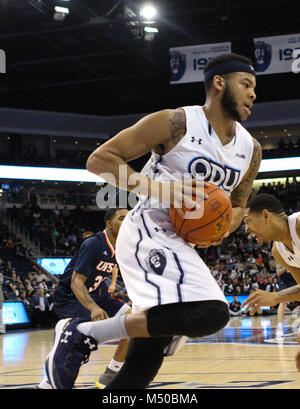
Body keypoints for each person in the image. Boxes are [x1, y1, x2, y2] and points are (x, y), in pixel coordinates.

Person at [45, 52, 261, 389]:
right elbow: (99, 160)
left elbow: (237, 207)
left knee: (144, 362)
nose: (253, 94)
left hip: (183, 243)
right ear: (219, 83)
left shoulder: (251, 149)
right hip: (147, 228)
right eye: (246, 84)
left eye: (254, 87)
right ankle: (83, 332)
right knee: (212, 312)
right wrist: (161, 189)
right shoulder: (177, 123)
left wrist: (220, 230)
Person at [38, 207, 131, 389]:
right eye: (122, 218)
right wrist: (93, 308)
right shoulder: (94, 244)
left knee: (134, 319)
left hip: (96, 293)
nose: (127, 222)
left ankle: (111, 374)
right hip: (70, 295)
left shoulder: (123, 245)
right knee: (77, 344)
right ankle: (47, 383)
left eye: (129, 218)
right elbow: (75, 282)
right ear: (109, 224)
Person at [241, 193, 300, 369]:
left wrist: (276, 297)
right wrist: (276, 297)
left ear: (266, 215)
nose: (246, 229)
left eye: (248, 221)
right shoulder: (278, 251)